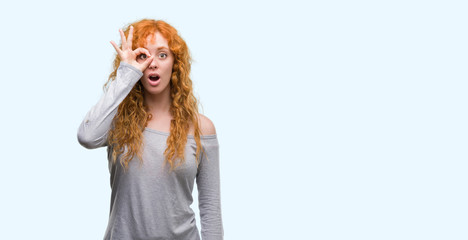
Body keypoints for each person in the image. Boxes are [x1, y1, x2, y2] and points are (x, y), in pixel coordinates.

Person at [77, 18, 224, 240]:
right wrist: (127, 72)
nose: (152, 63)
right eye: (143, 56)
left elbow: (210, 208)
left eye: (162, 55)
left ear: (176, 63)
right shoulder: (117, 121)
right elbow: (87, 137)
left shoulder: (201, 128)